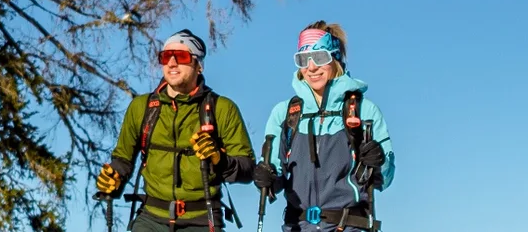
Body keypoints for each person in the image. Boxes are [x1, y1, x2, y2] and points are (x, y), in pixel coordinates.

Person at [97, 29, 257, 231]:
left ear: (199, 65)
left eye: (180, 56)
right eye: (165, 57)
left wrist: (219, 159)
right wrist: (113, 178)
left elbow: (248, 168)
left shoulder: (222, 108)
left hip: (202, 219)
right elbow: (122, 159)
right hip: (151, 219)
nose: (171, 63)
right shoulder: (142, 107)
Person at [254, 22, 394, 232]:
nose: (311, 67)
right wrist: (266, 177)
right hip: (299, 226)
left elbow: (387, 176)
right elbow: (275, 174)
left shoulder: (363, 111)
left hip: (349, 225)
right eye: (303, 59)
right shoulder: (285, 114)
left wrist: (378, 159)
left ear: (335, 58)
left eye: (320, 57)